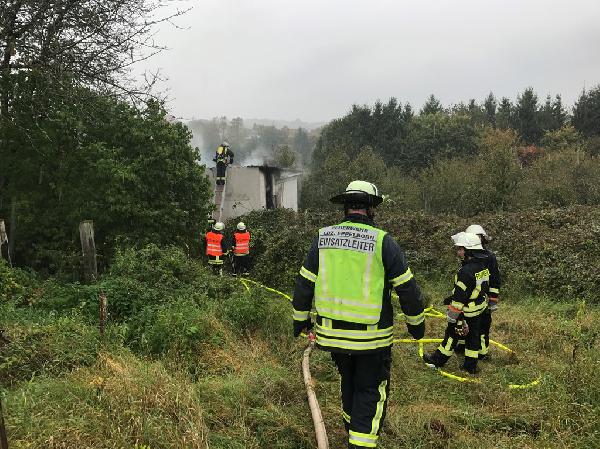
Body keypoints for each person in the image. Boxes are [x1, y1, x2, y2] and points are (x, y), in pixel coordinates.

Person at [292, 180, 425, 449]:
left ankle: (352, 430)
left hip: (333, 337)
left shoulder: (323, 238)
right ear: (371, 208)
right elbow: (408, 290)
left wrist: (300, 320)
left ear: (345, 207)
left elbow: (304, 283)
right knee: (370, 390)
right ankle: (360, 443)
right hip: (371, 340)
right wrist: (416, 326)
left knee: (349, 383)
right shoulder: (383, 241)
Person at [423, 232, 490, 374]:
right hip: (478, 310)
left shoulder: (465, 272)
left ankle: (437, 361)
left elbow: (459, 298)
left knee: (451, 335)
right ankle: (470, 366)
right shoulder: (482, 266)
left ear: (469, 251)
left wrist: (454, 317)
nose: (458, 252)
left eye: (460, 249)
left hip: (465, 312)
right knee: (473, 338)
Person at [465, 224, 501, 360]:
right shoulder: (468, 255)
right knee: (466, 323)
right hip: (469, 299)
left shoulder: (489, 257)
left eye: (478, 237)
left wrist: (493, 299)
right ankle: (464, 347)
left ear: (483, 238)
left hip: (484, 298)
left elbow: (495, 279)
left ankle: (482, 352)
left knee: (483, 326)